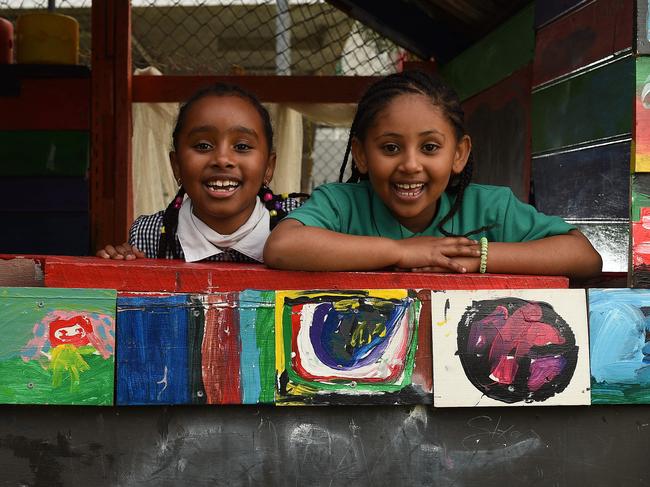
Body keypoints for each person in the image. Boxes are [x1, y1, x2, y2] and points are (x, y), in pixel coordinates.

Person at [264, 70, 602, 279]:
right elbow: (283, 246)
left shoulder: (489, 207)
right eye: (391, 148)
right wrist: (403, 251)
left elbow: (584, 257)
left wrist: (478, 257)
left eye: (429, 148)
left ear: (458, 154)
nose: (410, 165)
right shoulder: (341, 204)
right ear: (362, 156)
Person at [97, 83, 307, 262]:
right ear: (176, 165)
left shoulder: (300, 224)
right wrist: (119, 265)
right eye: (203, 146)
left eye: (242, 146)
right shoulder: (149, 237)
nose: (223, 160)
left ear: (268, 167)